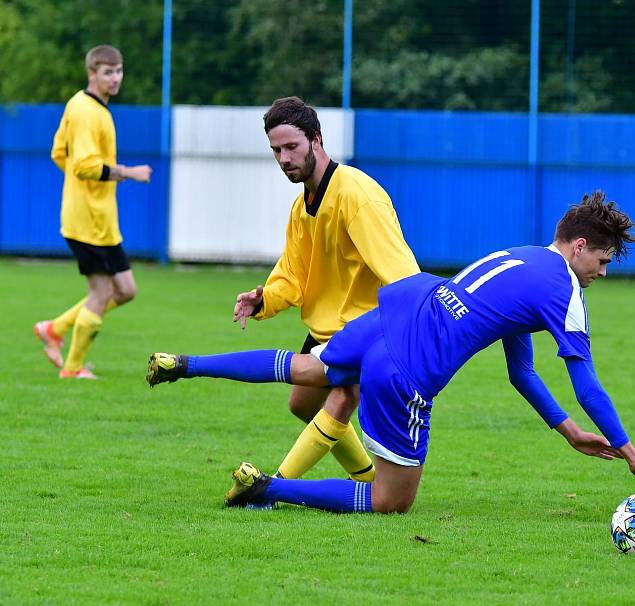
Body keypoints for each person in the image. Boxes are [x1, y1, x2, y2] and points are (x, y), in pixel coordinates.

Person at [215, 192, 635, 514]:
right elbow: (588, 386)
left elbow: (522, 372)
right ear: (579, 247)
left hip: (394, 320)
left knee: (310, 371)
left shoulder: (520, 259)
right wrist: (630, 452)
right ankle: (268, 488)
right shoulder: (563, 290)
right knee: (389, 501)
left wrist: (568, 432)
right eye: (601, 261)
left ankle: (191, 366)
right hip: (409, 370)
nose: (602, 272)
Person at [148, 96, 419, 482]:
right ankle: (366, 477)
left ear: (317, 140)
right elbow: (292, 274)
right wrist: (263, 300)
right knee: (303, 404)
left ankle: (272, 488)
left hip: (364, 329)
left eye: (291, 146)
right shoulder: (302, 207)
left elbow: (402, 274)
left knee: (340, 399)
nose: (284, 158)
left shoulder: (358, 196)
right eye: (276, 150)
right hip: (326, 328)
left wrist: (408, 332)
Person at [34, 45, 152, 379]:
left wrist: (78, 184)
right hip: (88, 220)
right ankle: (72, 368)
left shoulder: (82, 105)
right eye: (107, 72)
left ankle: (53, 330)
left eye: (119, 71)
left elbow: (59, 152)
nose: (115, 78)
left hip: (96, 217)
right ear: (92, 73)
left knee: (126, 290)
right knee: (101, 294)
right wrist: (129, 172)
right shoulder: (87, 112)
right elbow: (85, 165)